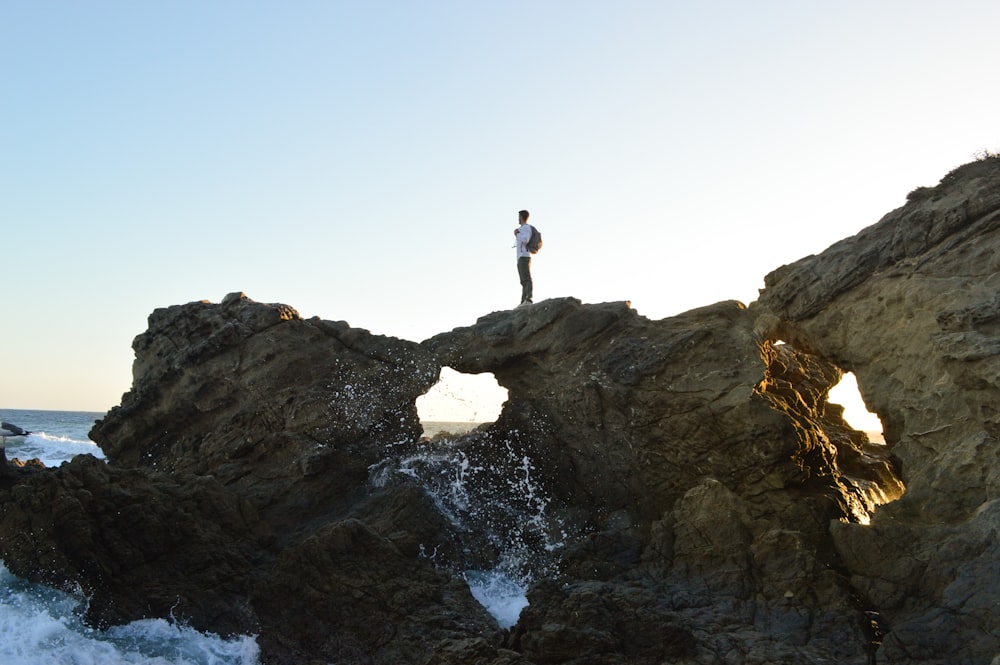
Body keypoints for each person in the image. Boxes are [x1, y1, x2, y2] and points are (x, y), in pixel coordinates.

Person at [514, 209, 534, 307]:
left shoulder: (526, 228)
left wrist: (517, 233)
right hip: (520, 256)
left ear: (521, 217)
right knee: (523, 280)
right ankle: (523, 301)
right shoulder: (522, 228)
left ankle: (528, 298)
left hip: (524, 256)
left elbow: (525, 239)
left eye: (519, 217)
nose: (518, 219)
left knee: (526, 278)